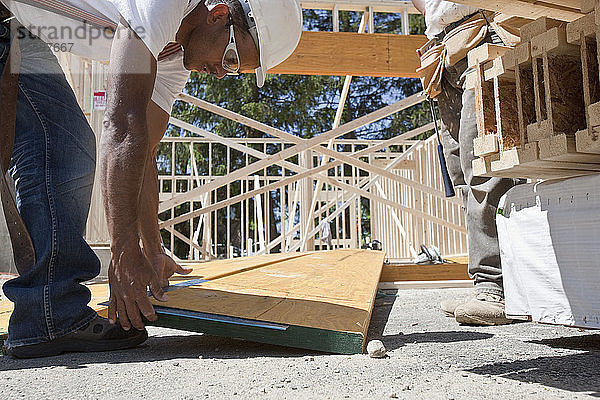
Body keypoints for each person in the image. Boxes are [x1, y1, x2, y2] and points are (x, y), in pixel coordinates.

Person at [1, 0, 302, 358]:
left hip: (17, 25)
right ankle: (48, 317)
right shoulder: (165, 5)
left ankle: (46, 318)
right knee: (64, 143)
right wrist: (124, 253)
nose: (222, 73)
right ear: (218, 15)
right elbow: (123, 123)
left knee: (63, 142)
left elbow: (141, 152)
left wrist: (152, 249)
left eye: (234, 71)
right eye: (232, 59)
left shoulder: (173, 57)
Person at [412, 0, 522, 325]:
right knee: (461, 173)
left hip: (485, 28)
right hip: (443, 50)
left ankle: (496, 287)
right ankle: (484, 283)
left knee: (485, 164)